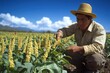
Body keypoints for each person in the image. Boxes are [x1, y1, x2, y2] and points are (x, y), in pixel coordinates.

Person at [56, 3, 106, 73]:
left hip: (95, 54)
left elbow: (98, 46)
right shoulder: (76, 26)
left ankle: (92, 70)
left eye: (83, 19)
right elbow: (65, 30)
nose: (80, 22)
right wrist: (60, 33)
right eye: (78, 19)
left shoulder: (98, 28)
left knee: (95, 60)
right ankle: (80, 69)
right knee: (68, 53)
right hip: (81, 53)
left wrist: (80, 48)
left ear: (90, 19)